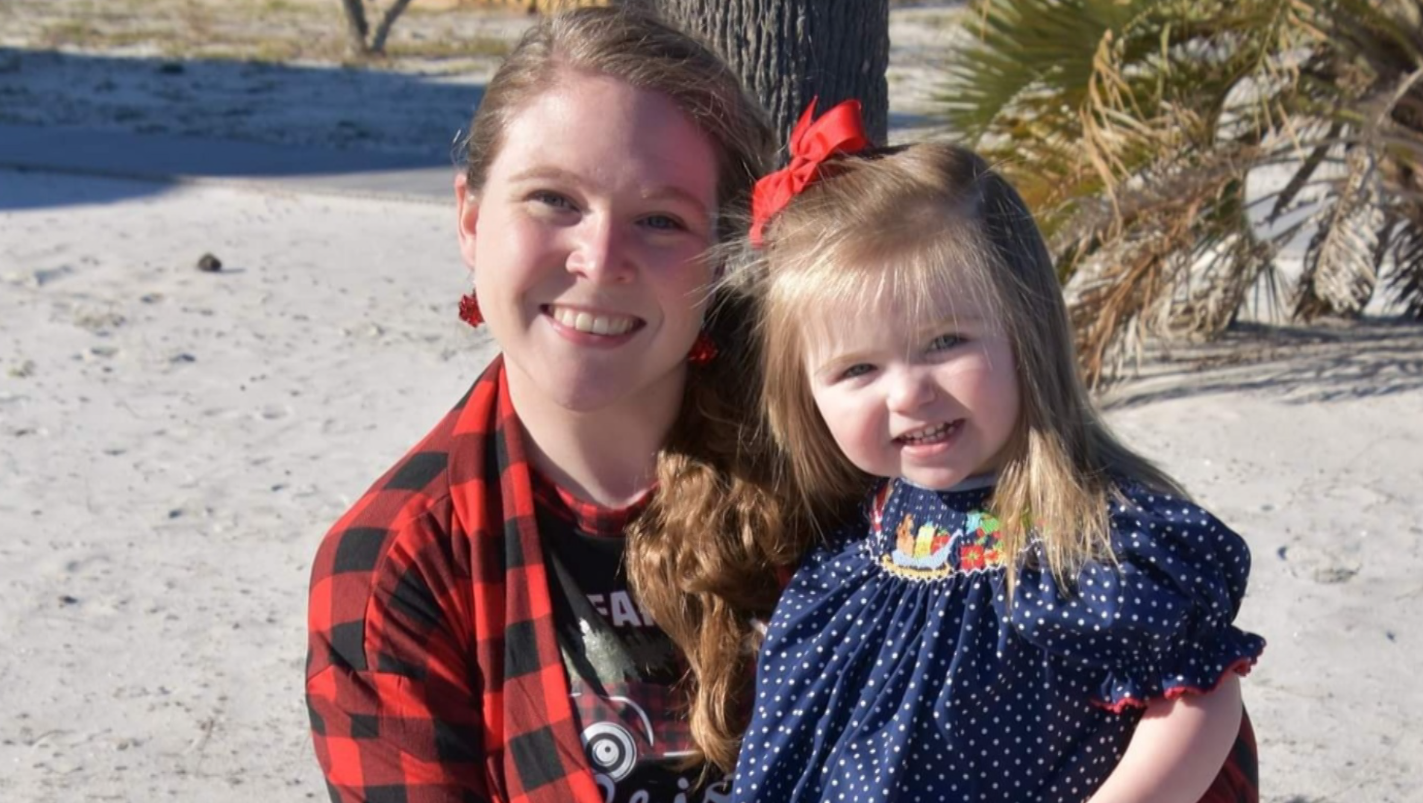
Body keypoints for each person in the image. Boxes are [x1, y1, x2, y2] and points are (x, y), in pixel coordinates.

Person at [723, 102, 1267, 803]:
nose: (908, 393)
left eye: (945, 342)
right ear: (805, 396)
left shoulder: (1094, 539)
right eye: (858, 369)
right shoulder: (847, 564)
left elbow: (1200, 690)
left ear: (1024, 330)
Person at [304, 8, 783, 802]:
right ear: (470, 219)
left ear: (722, 253)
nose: (599, 259)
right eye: (554, 200)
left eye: (659, 219)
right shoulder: (398, 566)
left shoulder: (830, 476)